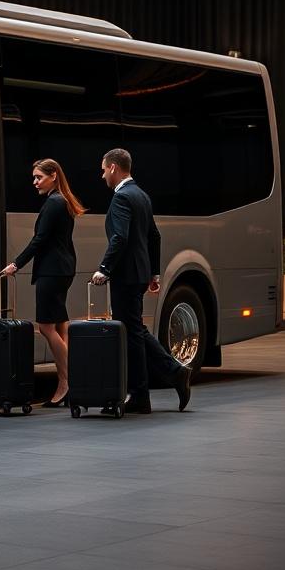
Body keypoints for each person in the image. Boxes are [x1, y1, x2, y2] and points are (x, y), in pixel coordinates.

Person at [91, 148, 192, 414]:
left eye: (103, 170)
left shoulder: (122, 198)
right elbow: (154, 236)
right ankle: (154, 386)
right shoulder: (141, 195)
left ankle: (147, 389)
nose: (102, 176)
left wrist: (104, 268)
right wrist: (153, 273)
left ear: (113, 167)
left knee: (131, 333)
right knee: (135, 330)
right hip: (138, 273)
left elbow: (120, 238)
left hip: (125, 275)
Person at [1, 158, 85, 407]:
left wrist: (15, 264)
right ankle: (65, 383)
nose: (35, 182)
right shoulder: (63, 201)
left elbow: (39, 240)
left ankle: (71, 381)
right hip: (63, 269)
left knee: (46, 327)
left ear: (53, 176)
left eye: (39, 177)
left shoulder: (54, 203)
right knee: (61, 324)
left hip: (52, 271)